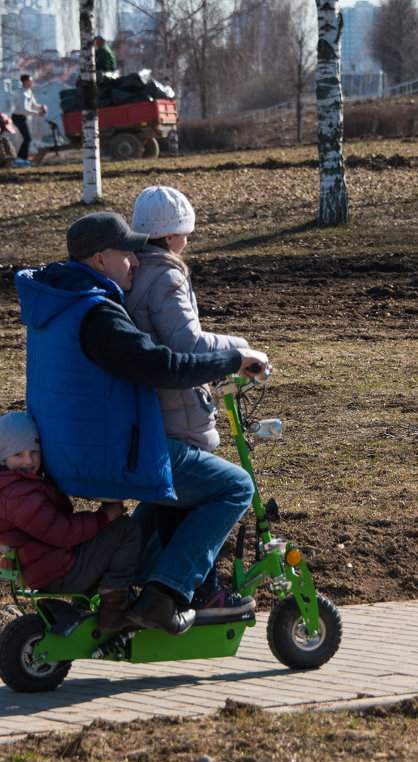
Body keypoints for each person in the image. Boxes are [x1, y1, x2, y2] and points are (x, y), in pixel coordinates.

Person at [14, 212, 268, 636]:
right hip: (103, 454)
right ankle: (166, 592)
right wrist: (233, 360)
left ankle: (143, 581)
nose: (136, 262)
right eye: (127, 255)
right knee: (235, 486)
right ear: (99, 259)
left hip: (67, 451)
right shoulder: (97, 314)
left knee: (166, 492)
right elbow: (162, 366)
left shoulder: (56, 301)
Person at [125, 186, 255, 619]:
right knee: (223, 489)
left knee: (169, 499)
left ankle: (138, 577)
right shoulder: (166, 276)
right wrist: (241, 349)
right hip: (176, 408)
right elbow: (188, 342)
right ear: (174, 234)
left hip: (152, 409)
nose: (187, 240)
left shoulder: (134, 272)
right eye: (185, 232)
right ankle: (190, 588)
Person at [0, 412, 140, 632]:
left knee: (101, 537)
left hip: (45, 567)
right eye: (18, 454)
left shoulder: (8, 487)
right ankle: (116, 608)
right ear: (3, 459)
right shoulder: (18, 496)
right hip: (61, 572)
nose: (28, 460)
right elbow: (62, 532)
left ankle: (85, 604)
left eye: (34, 452)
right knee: (126, 528)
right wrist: (105, 516)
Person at [11, 74, 46, 167]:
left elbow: (33, 104)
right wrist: (38, 113)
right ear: (25, 82)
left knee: (27, 138)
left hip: (22, 117)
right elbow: (23, 110)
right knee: (27, 138)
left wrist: (40, 107)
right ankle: (21, 159)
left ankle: (21, 159)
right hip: (18, 117)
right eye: (30, 81)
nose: (32, 82)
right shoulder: (22, 94)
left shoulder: (29, 91)